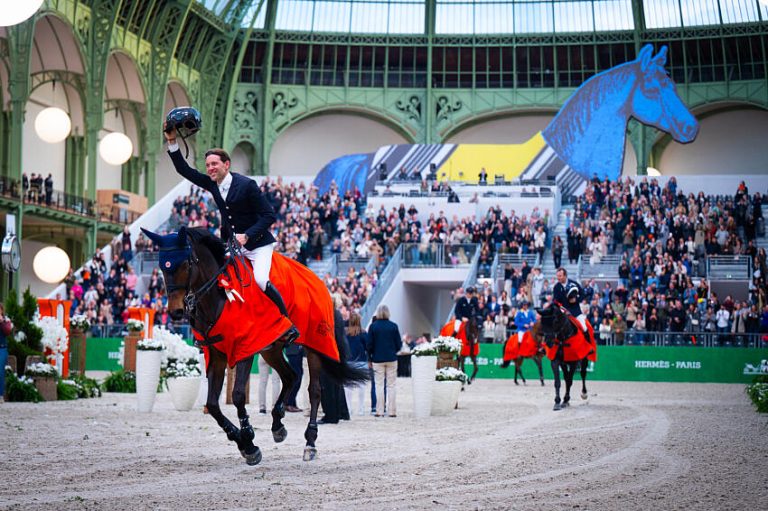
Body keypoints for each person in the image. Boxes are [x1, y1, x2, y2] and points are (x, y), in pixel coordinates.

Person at [164, 121, 299, 344]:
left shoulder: (246, 185)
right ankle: (211, 330)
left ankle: (287, 324)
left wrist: (247, 236)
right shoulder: (213, 184)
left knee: (261, 279)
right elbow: (183, 170)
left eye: (214, 164)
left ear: (227, 164)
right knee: (215, 279)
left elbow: (269, 215)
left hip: (258, 245)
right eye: (207, 165)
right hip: (233, 245)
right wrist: (172, 141)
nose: (210, 168)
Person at [366, 304, 401, 417]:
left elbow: (369, 345)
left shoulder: (373, 327)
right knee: (391, 385)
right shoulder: (394, 326)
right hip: (391, 358)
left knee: (379, 385)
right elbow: (399, 344)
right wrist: (393, 350)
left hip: (377, 359)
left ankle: (379, 410)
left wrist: (370, 358)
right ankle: (392, 411)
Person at [553, 267, 593, 344]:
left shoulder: (574, 283)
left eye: (560, 276)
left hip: (575, 311)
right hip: (563, 312)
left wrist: (576, 300)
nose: (558, 278)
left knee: (584, 327)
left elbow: (583, 294)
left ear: (565, 276)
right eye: (557, 276)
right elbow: (555, 301)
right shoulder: (556, 287)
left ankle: (589, 346)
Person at [344, 313, 369, 417]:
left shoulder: (346, 334)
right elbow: (368, 346)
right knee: (361, 387)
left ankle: (349, 408)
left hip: (349, 361)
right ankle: (361, 408)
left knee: (348, 387)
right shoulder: (363, 333)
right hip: (361, 361)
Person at [0, 304, 11, 403]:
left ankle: (0, 395)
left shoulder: (6, 321)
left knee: (0, 371)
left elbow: (7, 331)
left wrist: (2, 322)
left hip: (1, 348)